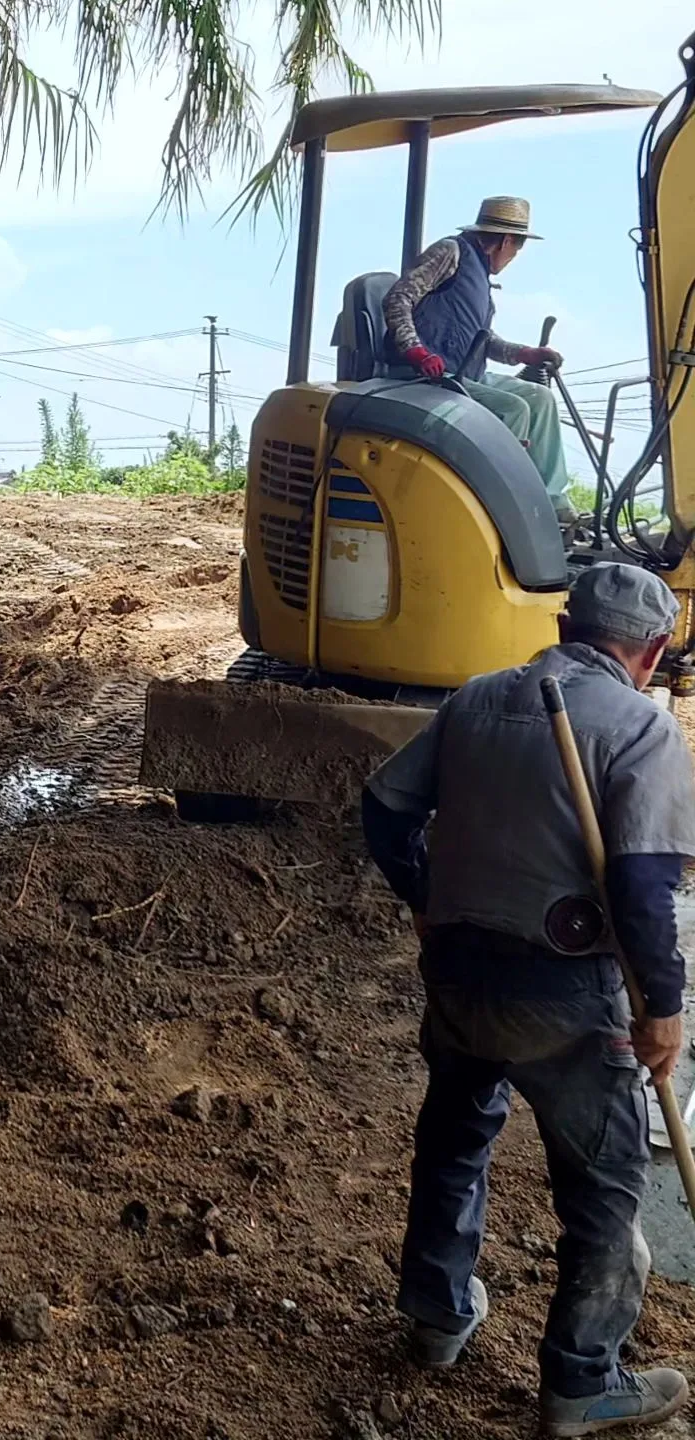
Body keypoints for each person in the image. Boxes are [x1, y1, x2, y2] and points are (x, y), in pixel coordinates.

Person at [362, 561, 695, 1438]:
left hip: (463, 975)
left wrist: (426, 899)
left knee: (454, 1138)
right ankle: (583, 1379)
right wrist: (663, 1004)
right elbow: (644, 885)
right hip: (565, 991)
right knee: (602, 1188)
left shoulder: (475, 699)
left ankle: (436, 1315)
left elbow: (384, 806)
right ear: (652, 650)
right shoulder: (638, 727)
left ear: (563, 626)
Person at [383, 196, 575, 524]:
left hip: (467, 374)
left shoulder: (481, 279)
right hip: (429, 375)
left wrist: (523, 353)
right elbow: (398, 298)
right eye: (517, 249)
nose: (514, 257)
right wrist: (416, 350)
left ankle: (553, 503)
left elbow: (483, 340)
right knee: (514, 408)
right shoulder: (450, 252)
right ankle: (507, 508)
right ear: (506, 240)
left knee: (539, 398)